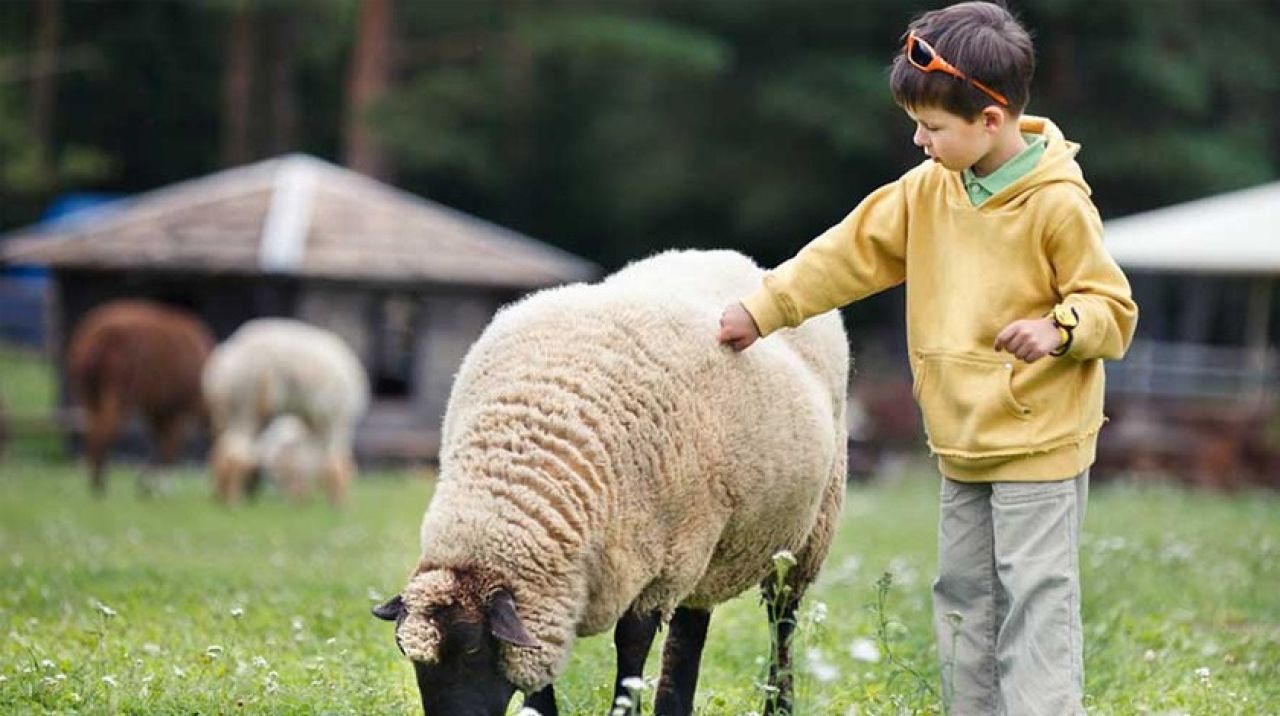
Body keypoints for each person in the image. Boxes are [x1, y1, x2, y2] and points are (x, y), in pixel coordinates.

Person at [717, 2, 1137, 713]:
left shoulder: (1058, 204)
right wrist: (762, 310)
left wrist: (1058, 330)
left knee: (1036, 593)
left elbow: (1113, 308)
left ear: (991, 121)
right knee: (965, 596)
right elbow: (844, 257)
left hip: (1039, 437)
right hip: (960, 438)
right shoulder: (927, 192)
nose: (919, 139)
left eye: (933, 127)